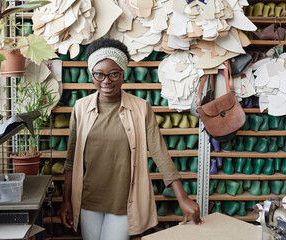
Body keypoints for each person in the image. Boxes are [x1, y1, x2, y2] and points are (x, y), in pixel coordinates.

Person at [59, 38, 202, 240]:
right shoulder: (81, 108)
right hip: (88, 199)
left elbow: (160, 155)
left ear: (123, 75)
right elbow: (71, 159)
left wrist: (183, 197)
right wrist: (66, 201)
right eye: (99, 74)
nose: (106, 81)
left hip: (124, 201)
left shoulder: (141, 108)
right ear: (92, 76)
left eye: (114, 74)